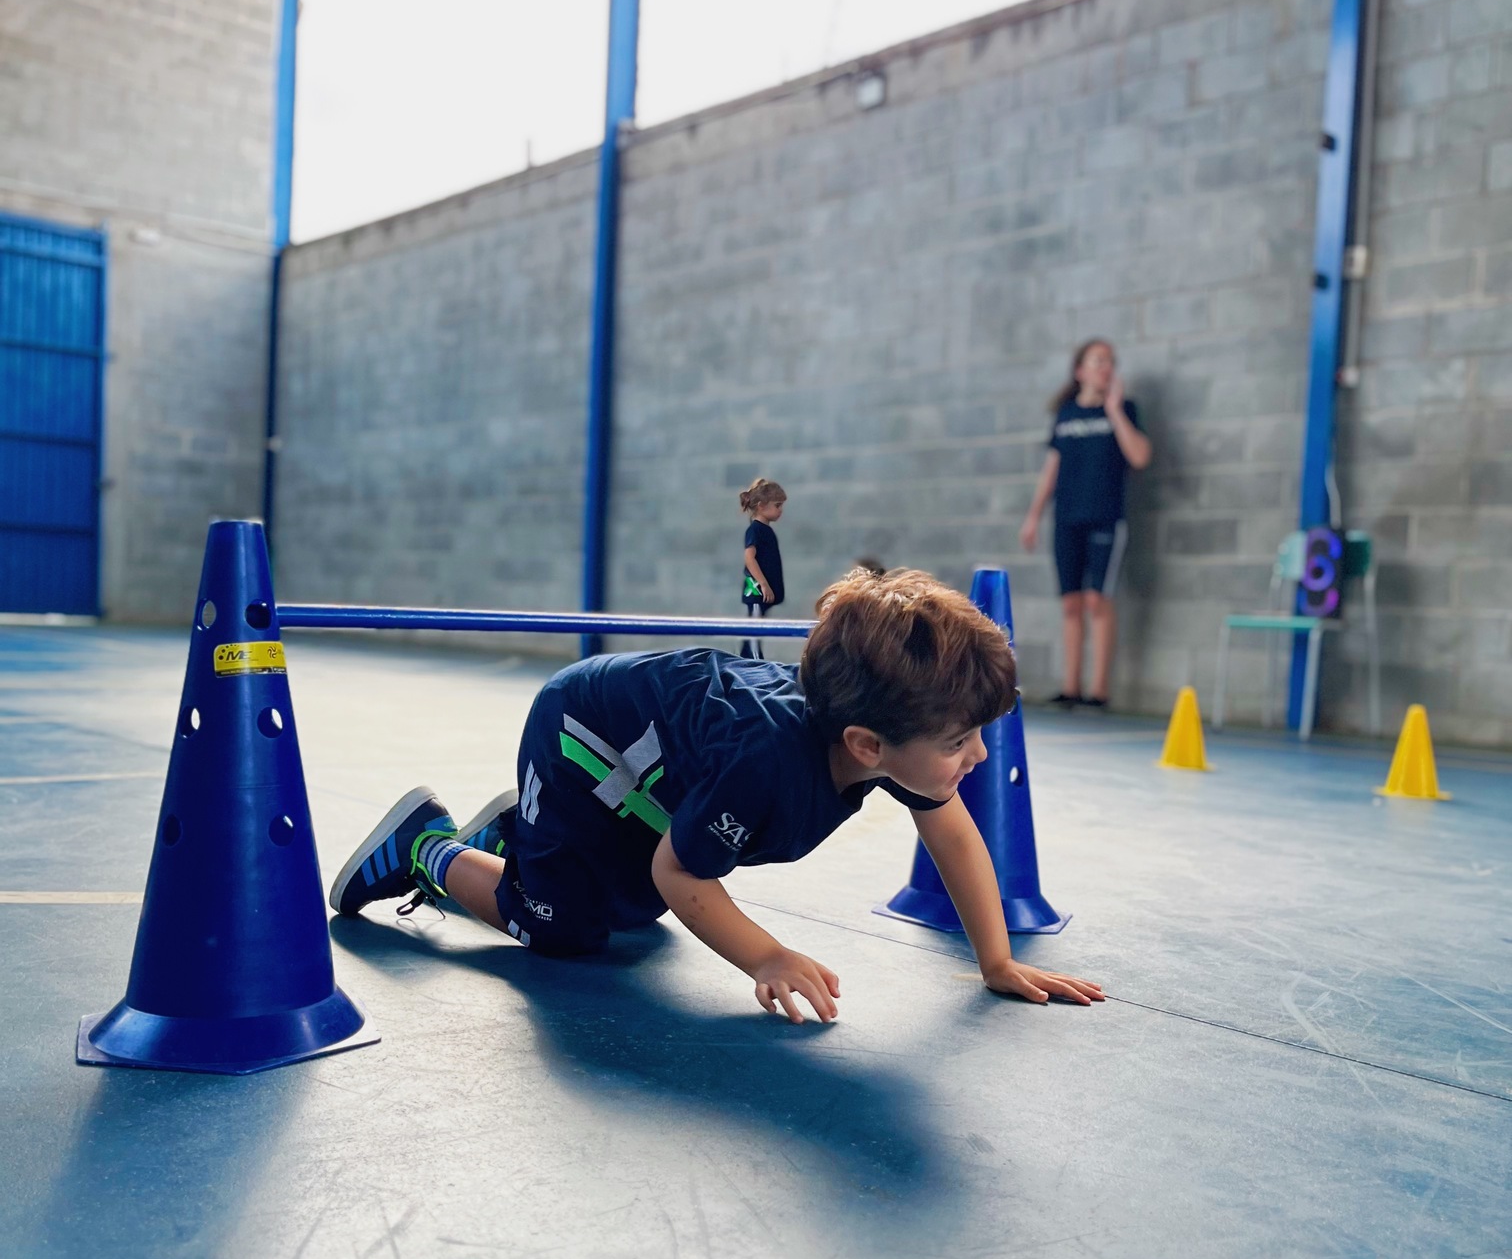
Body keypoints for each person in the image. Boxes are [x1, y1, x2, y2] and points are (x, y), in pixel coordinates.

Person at [329, 567, 1105, 1022]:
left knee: (636, 918)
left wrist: (996, 960)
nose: (975, 756)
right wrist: (766, 956)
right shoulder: (768, 766)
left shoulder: (884, 739)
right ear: (867, 746)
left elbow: (956, 836)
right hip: (580, 737)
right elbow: (682, 873)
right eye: (959, 743)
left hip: (657, 778)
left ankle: (524, 840)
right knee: (564, 928)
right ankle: (430, 846)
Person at [1019, 338, 1152, 709]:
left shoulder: (1124, 409)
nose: (1105, 368)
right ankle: (1071, 687)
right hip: (1067, 519)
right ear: (1080, 371)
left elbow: (1140, 457)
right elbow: (1051, 470)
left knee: (1097, 601)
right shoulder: (1065, 415)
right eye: (1097, 361)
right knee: (1071, 604)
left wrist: (1114, 411)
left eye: (1110, 361)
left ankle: (1098, 691)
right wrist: (1033, 517)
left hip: (1106, 519)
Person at [739, 477, 786, 659]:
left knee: (757, 623)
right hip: (756, 589)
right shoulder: (755, 530)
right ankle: (753, 660)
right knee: (755, 626)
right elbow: (749, 558)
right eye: (777, 505)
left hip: (763, 589)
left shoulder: (766, 530)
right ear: (761, 506)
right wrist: (763, 584)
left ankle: (749, 657)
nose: (780, 510)